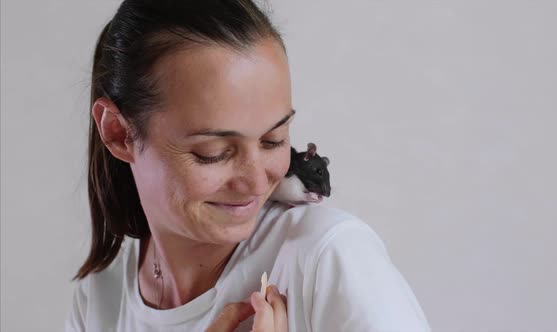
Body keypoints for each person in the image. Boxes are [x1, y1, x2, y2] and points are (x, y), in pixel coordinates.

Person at [65, 0, 431, 331]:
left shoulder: (328, 257)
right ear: (117, 133)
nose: (257, 182)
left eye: (274, 141)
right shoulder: (99, 297)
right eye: (213, 151)